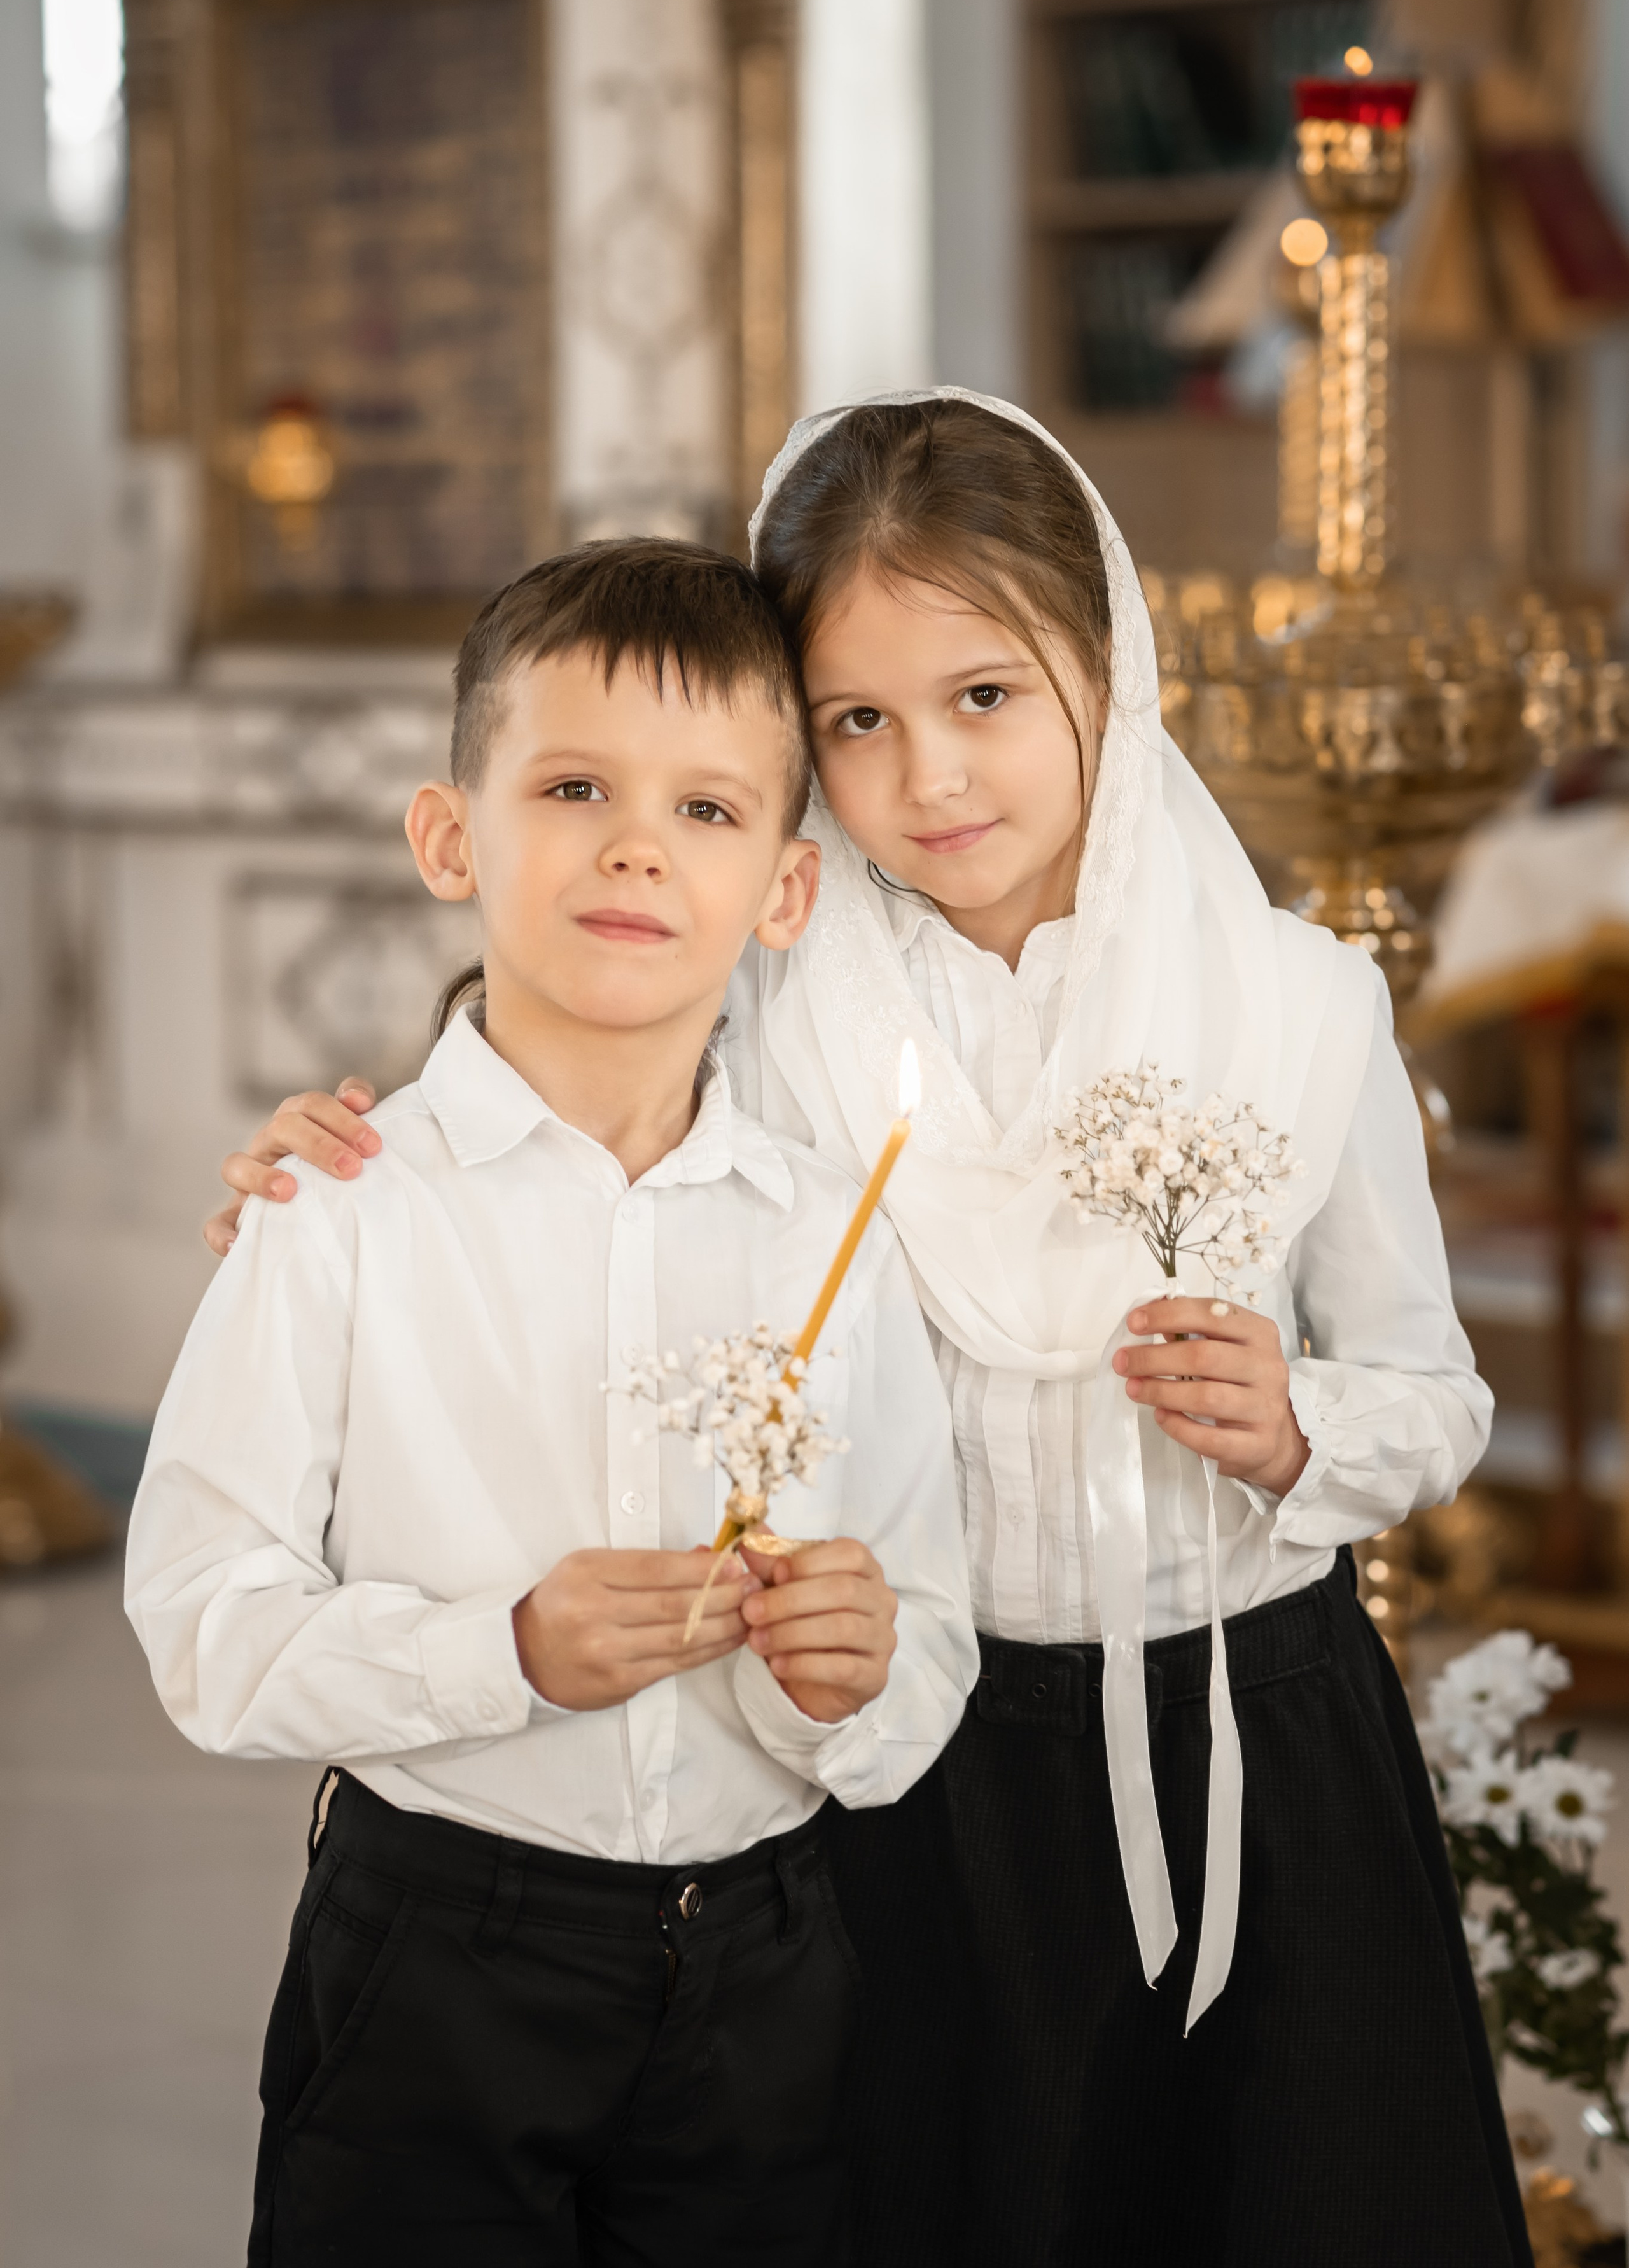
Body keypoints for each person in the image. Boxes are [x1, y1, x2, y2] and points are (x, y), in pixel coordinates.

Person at [209, 397, 1530, 2268]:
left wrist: (1306, 1427)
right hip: (918, 1760)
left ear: (1109, 659)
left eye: (987, 694)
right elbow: (569, 1072)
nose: (931, 775)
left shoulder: (1302, 1009)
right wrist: (324, 1147)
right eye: (857, 721)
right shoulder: (777, 988)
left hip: (1258, 1740)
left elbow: (1433, 1392)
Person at [128, 538, 977, 2268]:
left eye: (711, 812)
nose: (637, 847)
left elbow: (929, 1631)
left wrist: (863, 1679)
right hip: (443, 1954)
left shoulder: (838, 1238)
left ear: (788, 892)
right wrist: (496, 1653)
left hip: (770, 1964)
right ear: (452, 835)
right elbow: (207, 1626)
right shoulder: (339, 1208)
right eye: (575, 785)